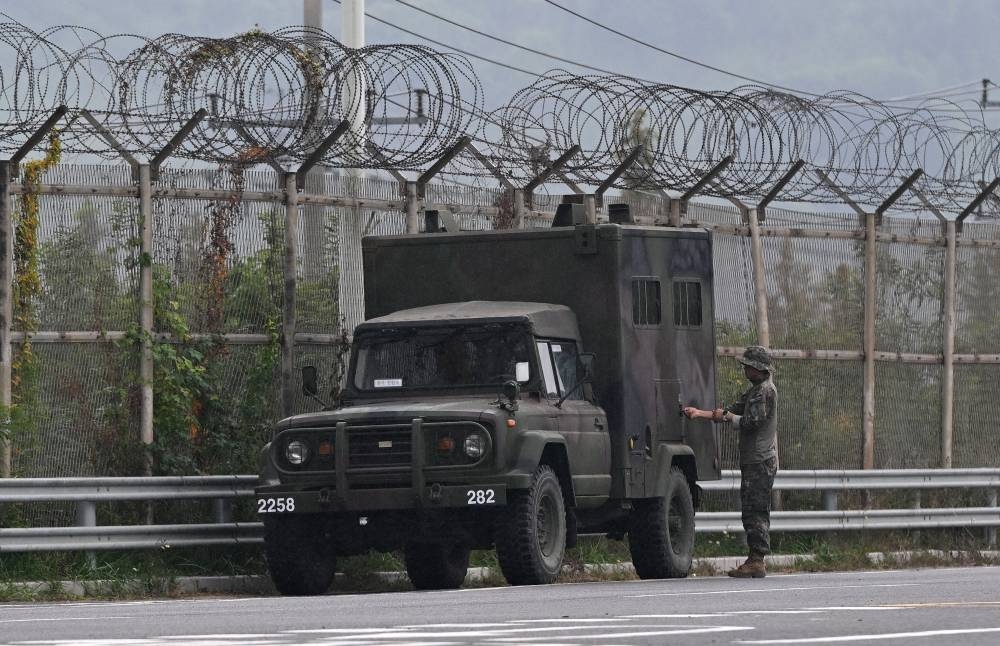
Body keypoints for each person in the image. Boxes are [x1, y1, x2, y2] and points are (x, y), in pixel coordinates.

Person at [683, 345, 778, 578]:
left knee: (755, 510)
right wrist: (702, 414)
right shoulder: (756, 391)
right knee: (751, 508)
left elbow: (750, 422)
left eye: (748, 366)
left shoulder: (764, 392)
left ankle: (757, 559)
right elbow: (732, 410)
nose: (745, 370)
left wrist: (727, 417)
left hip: (759, 460)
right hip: (754, 460)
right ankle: (755, 558)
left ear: (758, 369)